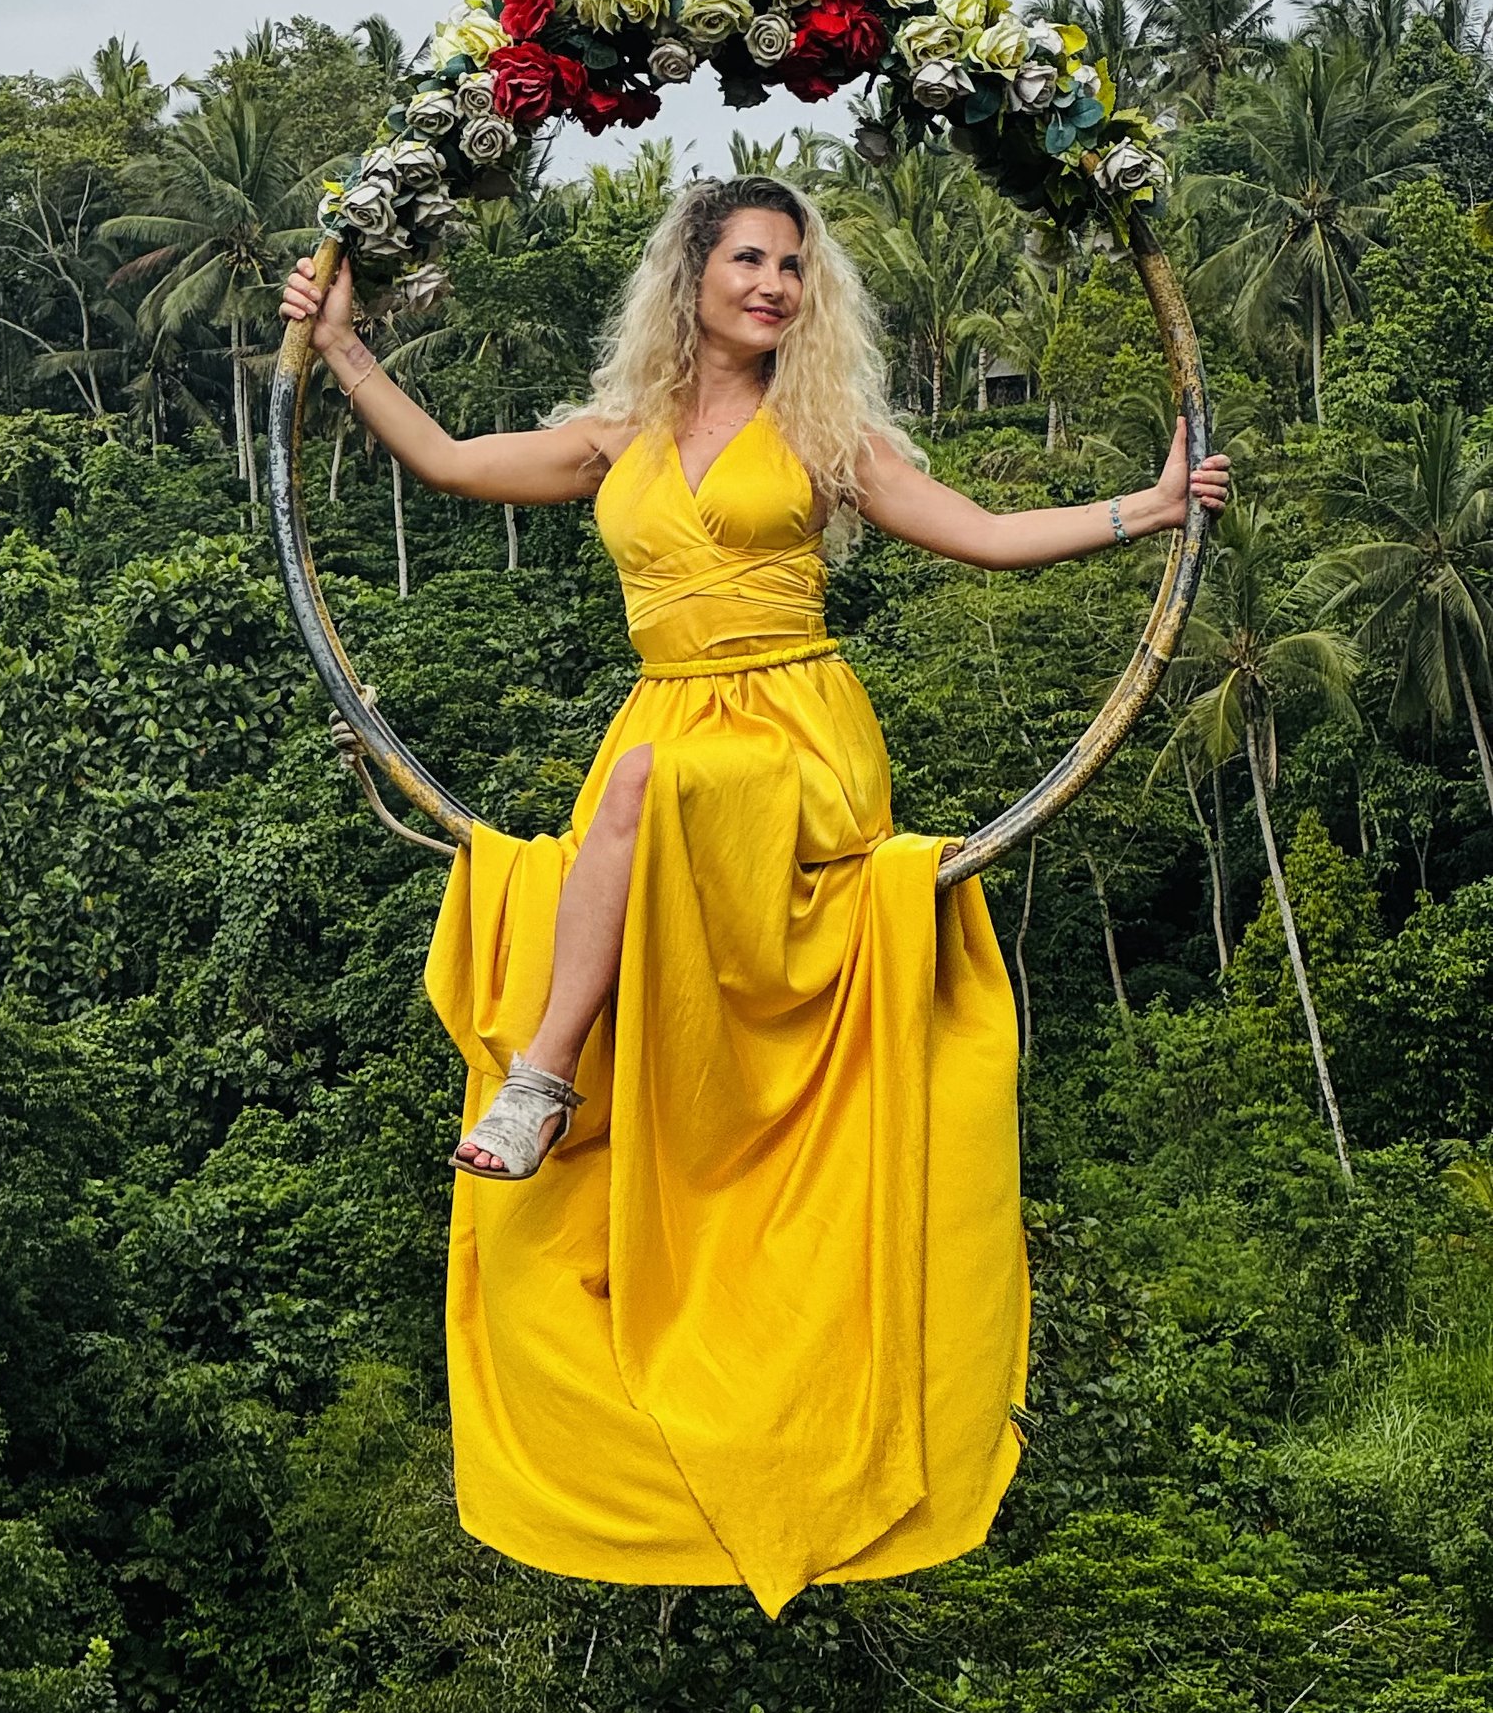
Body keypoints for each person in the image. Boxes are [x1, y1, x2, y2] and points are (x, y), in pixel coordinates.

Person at [279, 173, 1228, 1617]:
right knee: (632, 790)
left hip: (790, 748)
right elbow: (456, 463)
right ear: (694, 274)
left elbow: (974, 526)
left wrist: (1147, 509)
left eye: (794, 264)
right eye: (748, 258)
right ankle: (566, 1080)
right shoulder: (620, 438)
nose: (774, 283)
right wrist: (344, 349)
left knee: (637, 794)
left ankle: (543, 1072)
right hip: (664, 732)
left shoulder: (822, 433)